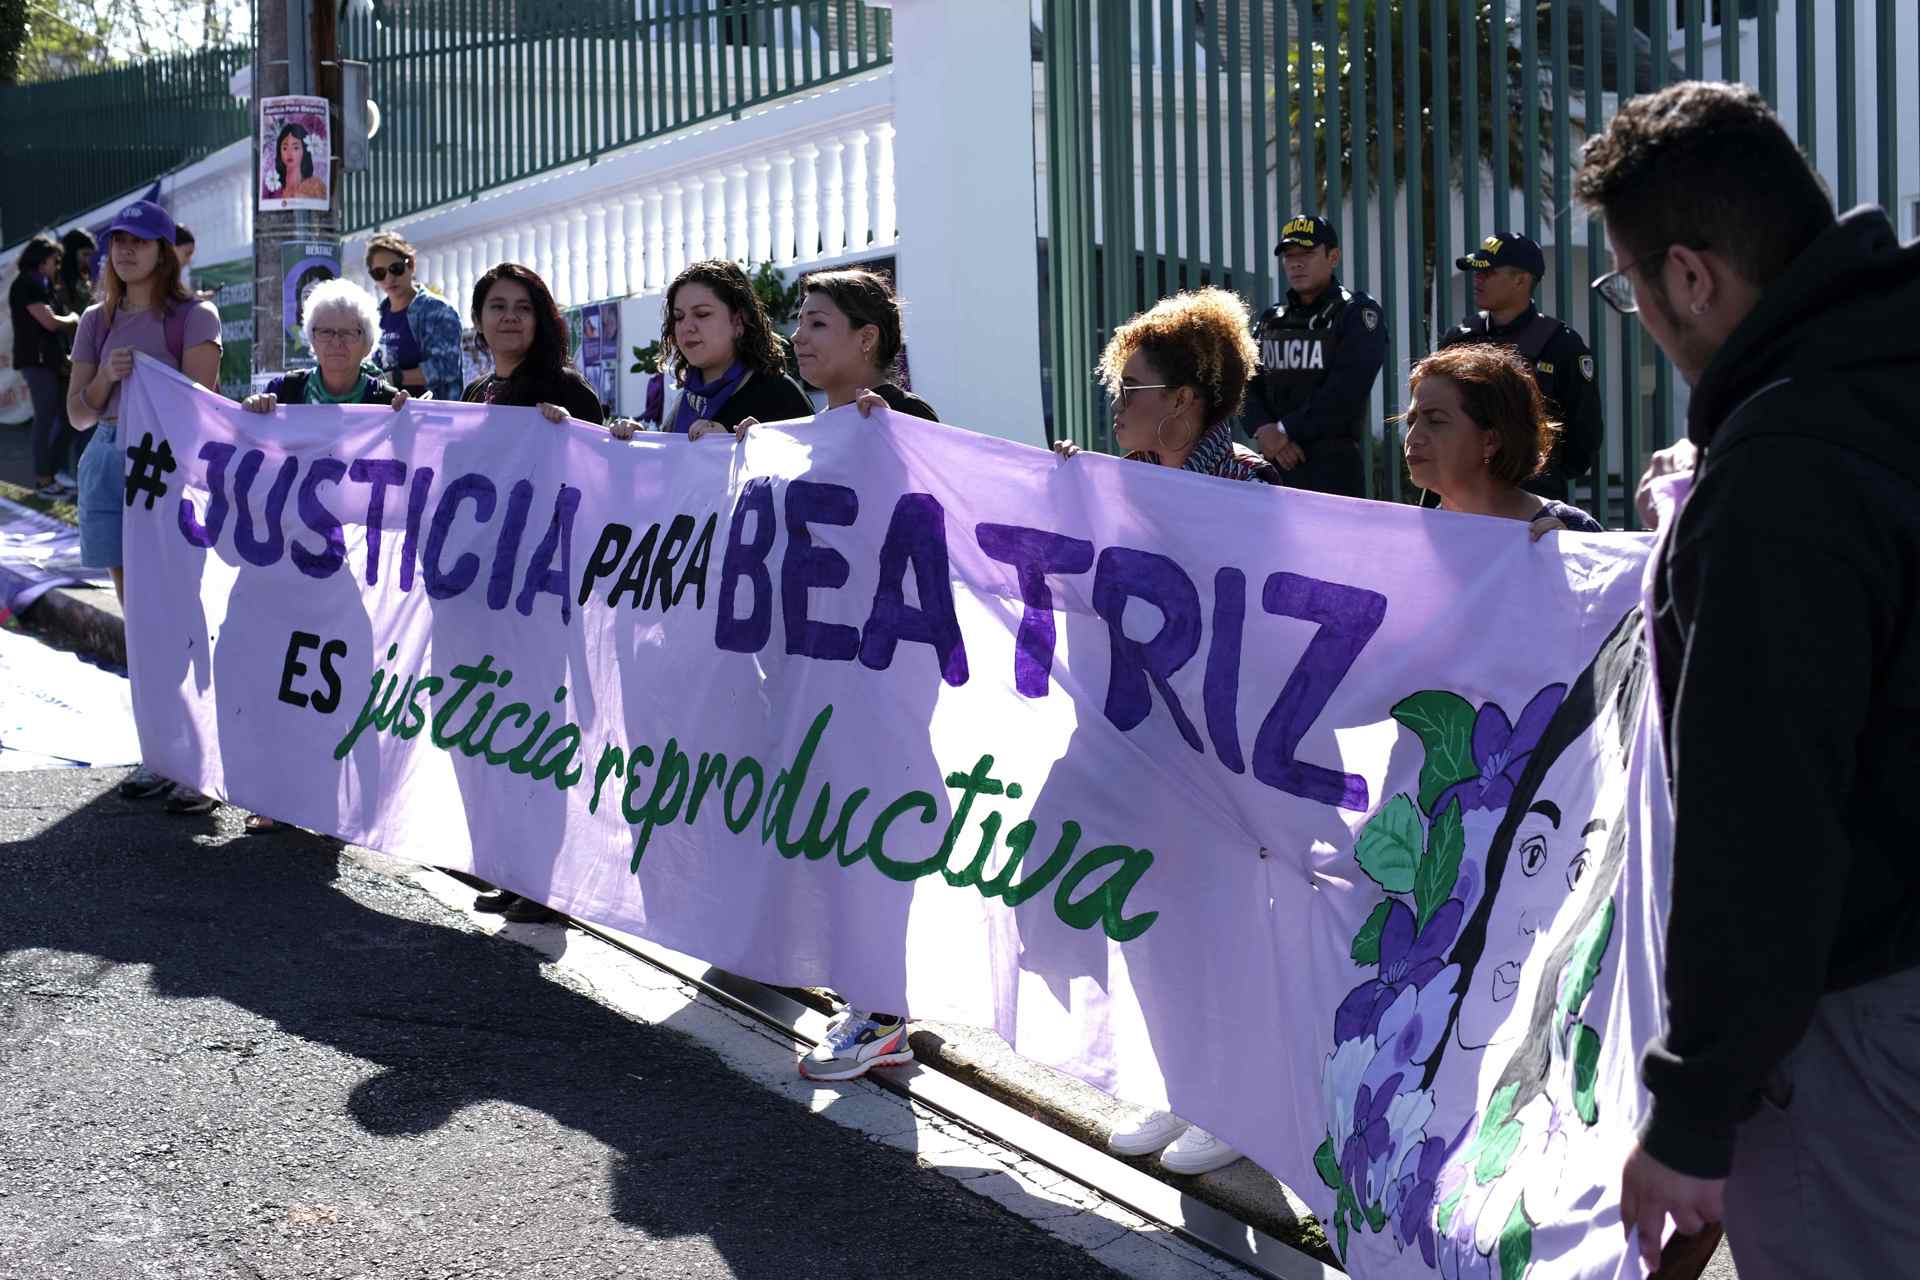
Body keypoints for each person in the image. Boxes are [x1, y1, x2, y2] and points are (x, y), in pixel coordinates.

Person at [1573, 81, 1920, 1279]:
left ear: (1690, 276)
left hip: (1865, 1015)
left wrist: (1693, 1108)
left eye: (1627, 289)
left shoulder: (1782, 473)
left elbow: (1763, 819)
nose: (1644, 319)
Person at [1051, 286, 1272, 1177]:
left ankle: (1242, 1104)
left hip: (1228, 752)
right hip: (1142, 743)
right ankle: (1185, 1084)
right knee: (1154, 919)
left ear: (1185, 400)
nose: (1117, 404)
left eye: (1132, 386)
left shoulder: (1255, 490)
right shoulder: (1116, 489)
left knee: (1225, 923)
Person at [64, 199, 222, 809]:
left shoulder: (194, 316)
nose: (126, 250)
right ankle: (160, 752)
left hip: (167, 472)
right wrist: (105, 378)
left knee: (181, 616)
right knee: (143, 623)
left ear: (164, 250)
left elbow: (201, 405)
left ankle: (201, 763)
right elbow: (81, 413)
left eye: (140, 240)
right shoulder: (94, 322)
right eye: (118, 241)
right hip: (107, 464)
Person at [1052, 286, 1279, 489]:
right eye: (1117, 389)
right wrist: (1072, 490)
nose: (1116, 404)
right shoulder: (1125, 482)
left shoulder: (1249, 490)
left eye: (1129, 390)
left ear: (1180, 400)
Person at [1437, 232, 1603, 501]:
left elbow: (1583, 432)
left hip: (1530, 495)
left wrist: (1546, 474)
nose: (1477, 279)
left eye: (1488, 272)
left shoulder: (1560, 345)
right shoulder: (1460, 338)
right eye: (1476, 272)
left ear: (1521, 280)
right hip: (1461, 490)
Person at [1242, 214, 1387, 497]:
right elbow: (1244, 384)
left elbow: (1346, 391)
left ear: (1333, 257)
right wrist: (1263, 429)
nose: (1295, 263)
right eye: (1288, 255)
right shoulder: (1272, 319)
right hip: (1273, 465)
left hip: (1332, 469)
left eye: (1307, 253)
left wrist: (1283, 431)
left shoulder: (1356, 313)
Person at [1400, 345, 1602, 538]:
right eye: (1410, 422)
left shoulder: (1571, 529)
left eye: (1436, 421)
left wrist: (1566, 559)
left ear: (1491, 441)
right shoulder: (1413, 538)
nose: (1413, 438)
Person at [656, 259, 811, 439]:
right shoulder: (683, 402)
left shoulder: (779, 394)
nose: (687, 327)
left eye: (702, 314)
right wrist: (636, 440)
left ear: (739, 322)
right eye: (679, 317)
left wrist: (742, 444)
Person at [461, 262, 605, 426]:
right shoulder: (472, 393)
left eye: (523, 308)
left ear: (539, 321)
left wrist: (569, 428)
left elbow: (596, 449)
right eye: (498, 306)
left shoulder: (568, 388)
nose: (510, 316)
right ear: (477, 320)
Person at [10, 235, 80, 497]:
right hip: (37, 363)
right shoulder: (26, 284)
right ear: (41, 261)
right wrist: (73, 318)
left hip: (53, 362)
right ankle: (43, 480)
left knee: (67, 417)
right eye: (54, 261)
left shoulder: (44, 284)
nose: (57, 266)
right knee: (45, 419)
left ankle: (53, 473)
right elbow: (49, 322)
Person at [364, 232, 464, 403]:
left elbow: (447, 368)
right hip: (389, 417)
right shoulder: (376, 316)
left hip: (432, 418)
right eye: (379, 273)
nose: (389, 278)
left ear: (411, 264)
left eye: (395, 269)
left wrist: (396, 377)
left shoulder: (439, 311)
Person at [271, 123, 328, 201]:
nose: (289, 153)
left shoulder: (315, 185)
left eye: (295, 148)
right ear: (279, 151)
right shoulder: (274, 189)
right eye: (285, 148)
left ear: (304, 150)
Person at [171, 223, 217, 302]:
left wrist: (196, 297)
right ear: (173, 248)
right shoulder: (159, 274)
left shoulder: (178, 274)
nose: (189, 260)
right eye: (187, 254)